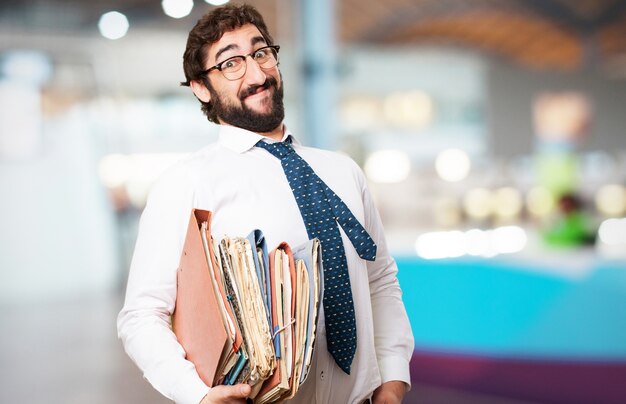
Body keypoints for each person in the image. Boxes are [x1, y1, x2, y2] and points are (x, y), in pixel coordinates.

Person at [117, 4, 414, 404]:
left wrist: (393, 380)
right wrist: (197, 395)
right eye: (231, 64)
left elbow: (380, 280)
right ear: (202, 87)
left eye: (260, 53)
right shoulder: (186, 183)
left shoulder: (344, 171)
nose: (257, 74)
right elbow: (141, 315)